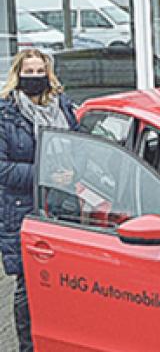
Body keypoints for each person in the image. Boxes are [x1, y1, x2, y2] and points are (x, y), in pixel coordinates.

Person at [0, 48, 80, 351]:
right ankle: (28, 346)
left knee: (64, 282)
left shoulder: (63, 107)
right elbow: (2, 168)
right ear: (17, 74)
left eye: (39, 71)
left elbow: (79, 147)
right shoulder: (6, 114)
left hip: (62, 205)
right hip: (22, 209)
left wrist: (74, 172)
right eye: (28, 71)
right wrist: (43, 174)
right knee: (27, 285)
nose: (34, 77)